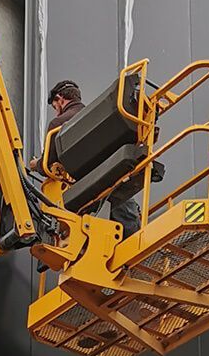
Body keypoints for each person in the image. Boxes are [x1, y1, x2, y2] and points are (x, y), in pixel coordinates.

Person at [41, 80, 142, 238]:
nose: (56, 112)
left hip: (89, 190)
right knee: (130, 231)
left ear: (60, 99)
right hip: (117, 176)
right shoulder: (98, 115)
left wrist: (35, 165)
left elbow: (48, 164)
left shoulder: (59, 124)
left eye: (55, 107)